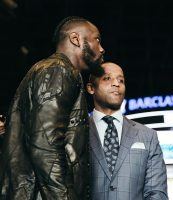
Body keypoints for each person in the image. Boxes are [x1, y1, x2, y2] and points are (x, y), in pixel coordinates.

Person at [0, 16, 105, 199]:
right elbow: (46, 147)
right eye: (97, 39)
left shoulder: (56, 70)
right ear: (76, 39)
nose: (102, 48)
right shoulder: (58, 70)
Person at [86, 62, 168, 200]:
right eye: (107, 78)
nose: (116, 83)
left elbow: (157, 193)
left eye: (121, 80)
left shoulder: (147, 136)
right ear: (91, 88)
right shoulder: (76, 132)